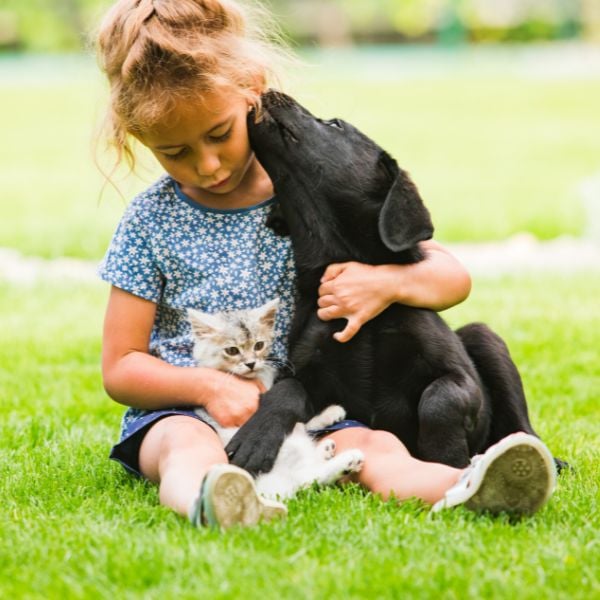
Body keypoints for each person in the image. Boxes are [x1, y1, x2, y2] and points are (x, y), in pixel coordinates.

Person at [95, 0, 556, 530]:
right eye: (174, 152)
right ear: (138, 138)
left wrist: (387, 282)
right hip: (185, 409)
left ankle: (469, 487)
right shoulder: (150, 221)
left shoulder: (303, 192)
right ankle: (213, 498)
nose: (207, 165)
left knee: (374, 446)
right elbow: (121, 366)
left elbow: (453, 278)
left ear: (252, 88)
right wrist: (206, 389)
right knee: (181, 446)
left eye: (219, 133)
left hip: (311, 409)